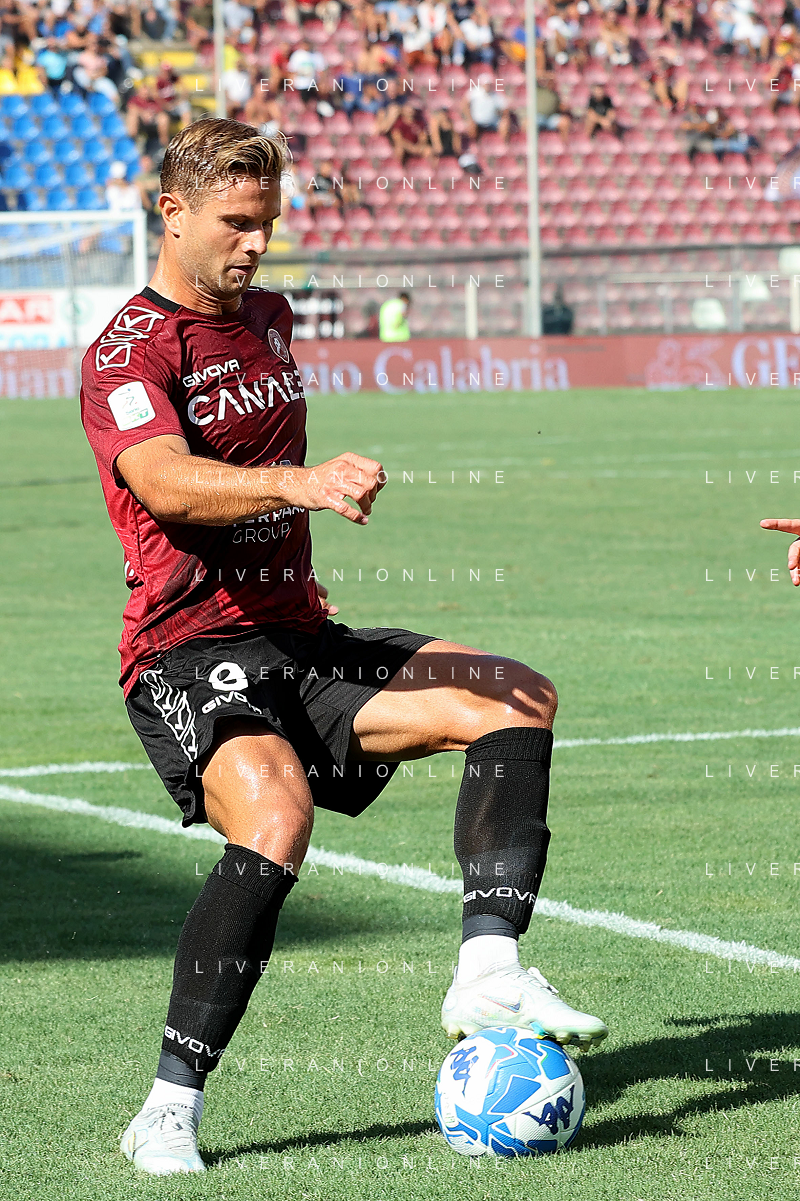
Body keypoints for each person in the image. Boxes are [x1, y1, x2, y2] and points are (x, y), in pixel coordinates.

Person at [80, 117, 608, 1177]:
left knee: (513, 696)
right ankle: (167, 1108)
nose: (256, 244)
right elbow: (163, 480)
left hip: (300, 636)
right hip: (186, 649)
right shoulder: (126, 353)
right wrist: (301, 483)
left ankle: (488, 971)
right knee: (277, 818)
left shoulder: (268, 318)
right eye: (235, 223)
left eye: (267, 222)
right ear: (171, 213)